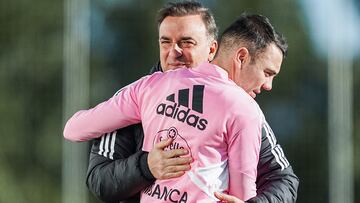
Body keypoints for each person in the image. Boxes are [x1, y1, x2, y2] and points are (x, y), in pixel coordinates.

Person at [78, 1, 298, 203]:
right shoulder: (134, 98)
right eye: (166, 42)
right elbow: (99, 180)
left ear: (210, 49)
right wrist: (146, 166)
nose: (175, 52)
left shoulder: (242, 111)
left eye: (186, 42)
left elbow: (284, 180)